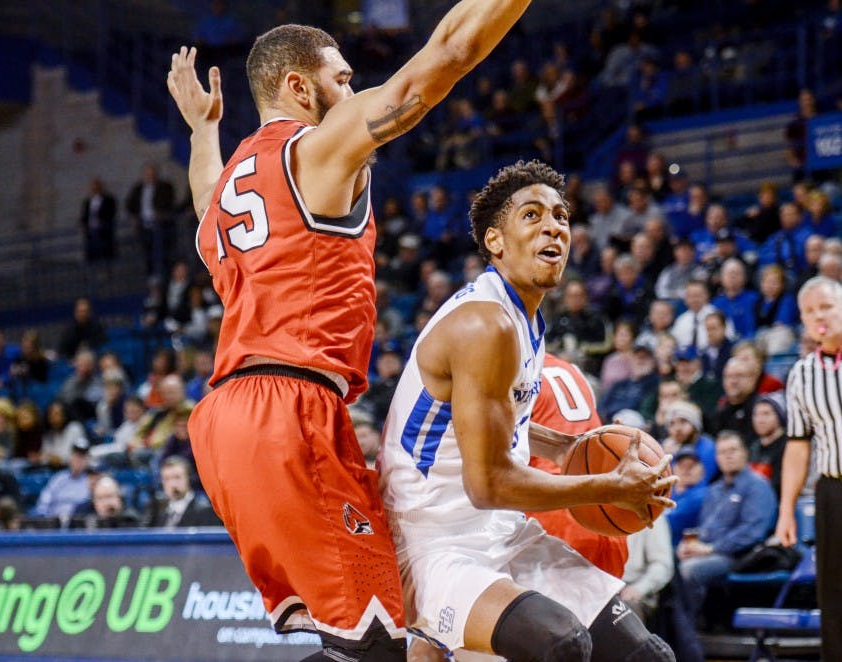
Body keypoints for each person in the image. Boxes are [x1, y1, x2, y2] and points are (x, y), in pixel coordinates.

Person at [167, 3, 537, 657]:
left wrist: (203, 130)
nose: (351, 90)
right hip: (288, 407)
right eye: (341, 78)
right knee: (376, 644)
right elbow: (444, 57)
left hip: (230, 419)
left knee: (385, 620)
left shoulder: (229, 187)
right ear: (299, 88)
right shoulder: (314, 151)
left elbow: (203, 198)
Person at [379, 161, 676, 660]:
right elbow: (489, 483)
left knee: (647, 656)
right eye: (532, 215)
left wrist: (566, 446)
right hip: (433, 541)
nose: (553, 226)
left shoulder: (524, 316)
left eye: (560, 216)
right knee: (560, 643)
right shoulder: (484, 324)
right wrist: (610, 486)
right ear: (495, 242)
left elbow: (494, 419)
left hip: (500, 529)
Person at [775, 276, 842, 662]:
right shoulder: (802, 374)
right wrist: (787, 509)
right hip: (832, 491)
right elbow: (798, 446)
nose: (819, 316)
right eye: (810, 311)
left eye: (827, 307)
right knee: (833, 595)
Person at [527, 353, 629, 579]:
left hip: (553, 510)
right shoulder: (573, 370)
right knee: (603, 610)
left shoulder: (512, 373)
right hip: (605, 511)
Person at [678, 431, 776, 621]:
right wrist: (690, 545)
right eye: (722, 452)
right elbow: (705, 527)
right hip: (711, 552)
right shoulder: (714, 490)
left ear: (745, 453)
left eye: (733, 450)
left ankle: (689, 630)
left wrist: (711, 548)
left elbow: (753, 532)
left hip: (741, 556)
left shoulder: (758, 486)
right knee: (669, 564)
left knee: (688, 570)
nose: (728, 456)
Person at [144, 456, 222, 528]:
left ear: (189, 479)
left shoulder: (205, 510)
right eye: (167, 479)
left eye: (177, 477)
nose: (173, 484)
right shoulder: (157, 510)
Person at [79, 176, 117, 263]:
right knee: (92, 255)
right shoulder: (87, 201)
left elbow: (111, 213)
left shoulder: (109, 200)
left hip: (104, 232)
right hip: (91, 232)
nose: (95, 188)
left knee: (105, 255)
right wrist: (83, 224)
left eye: (97, 186)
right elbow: (84, 216)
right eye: (93, 186)